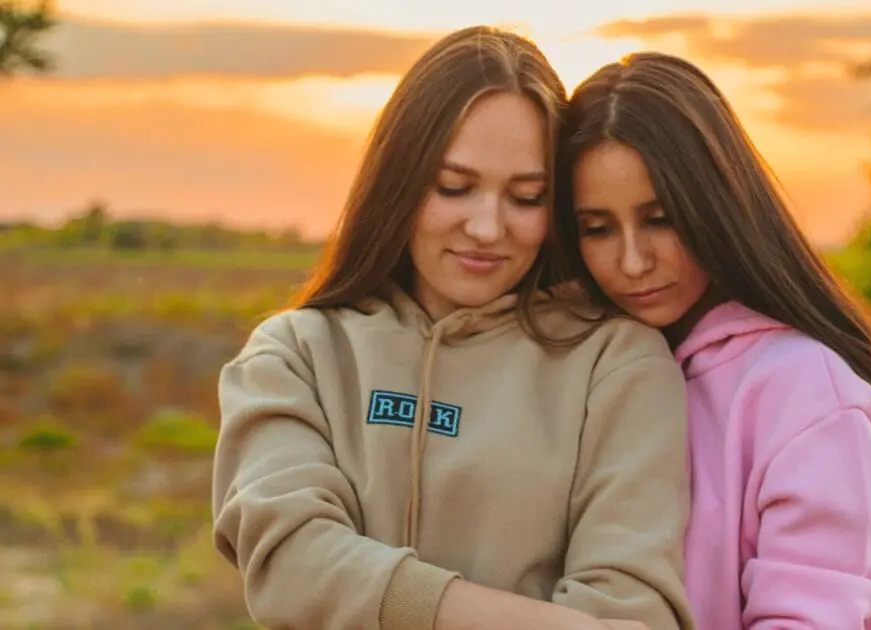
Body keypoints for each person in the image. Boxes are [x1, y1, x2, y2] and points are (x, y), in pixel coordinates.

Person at [211, 27, 694, 630]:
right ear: (399, 182)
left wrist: (367, 594)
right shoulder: (298, 353)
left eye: (526, 197)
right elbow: (289, 564)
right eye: (454, 188)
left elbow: (632, 603)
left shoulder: (617, 361)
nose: (488, 228)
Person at [554, 51, 871, 630]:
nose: (633, 262)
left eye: (660, 218)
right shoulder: (588, 367)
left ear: (715, 205)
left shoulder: (812, 402)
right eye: (598, 229)